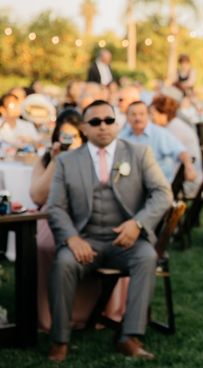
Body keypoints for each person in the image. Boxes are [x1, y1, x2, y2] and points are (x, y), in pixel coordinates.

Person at [46, 100, 172, 362]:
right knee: (63, 262)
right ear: (84, 127)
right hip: (85, 239)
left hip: (125, 241)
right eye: (95, 122)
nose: (103, 126)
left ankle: (130, 336)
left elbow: (163, 194)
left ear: (116, 124)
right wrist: (72, 239)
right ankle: (60, 340)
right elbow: (55, 207)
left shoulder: (139, 153)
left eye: (108, 120)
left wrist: (137, 224)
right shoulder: (67, 162)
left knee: (147, 257)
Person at [30, 109, 130, 333]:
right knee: (45, 246)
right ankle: (53, 316)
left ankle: (98, 311)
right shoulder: (47, 159)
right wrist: (57, 162)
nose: (67, 143)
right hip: (54, 217)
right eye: (62, 137)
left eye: (73, 137)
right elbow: (37, 196)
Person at [119, 101, 197, 183]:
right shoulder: (122, 136)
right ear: (127, 116)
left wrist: (189, 167)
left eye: (141, 114)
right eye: (133, 114)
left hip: (158, 185)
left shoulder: (160, 133)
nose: (138, 118)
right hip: (132, 185)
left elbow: (181, 152)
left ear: (148, 115)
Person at [149, 94, 203, 197]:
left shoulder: (172, 130)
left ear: (163, 113)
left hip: (186, 184)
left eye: (152, 114)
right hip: (187, 180)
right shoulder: (175, 124)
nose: (151, 118)